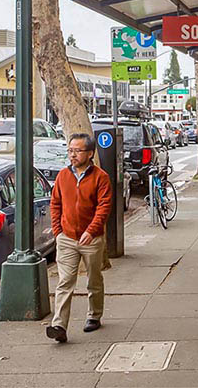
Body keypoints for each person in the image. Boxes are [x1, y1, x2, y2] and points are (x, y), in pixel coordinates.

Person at [46, 133, 113, 343]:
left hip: (91, 239)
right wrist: (58, 232)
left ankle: (94, 315)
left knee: (93, 279)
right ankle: (59, 325)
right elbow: (55, 203)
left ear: (90, 153)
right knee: (65, 282)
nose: (72, 155)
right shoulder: (63, 176)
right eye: (70, 150)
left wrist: (91, 231)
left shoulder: (100, 177)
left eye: (77, 151)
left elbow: (104, 208)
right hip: (66, 238)